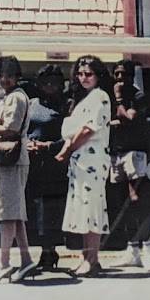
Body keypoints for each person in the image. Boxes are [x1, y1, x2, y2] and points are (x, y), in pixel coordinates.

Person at [0, 55, 35, 283]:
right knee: (15, 212)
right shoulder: (12, 96)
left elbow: (10, 129)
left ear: (17, 76)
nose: (4, 79)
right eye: (1, 75)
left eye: (9, 75)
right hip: (10, 160)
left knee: (7, 213)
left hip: (11, 159)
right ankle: (26, 258)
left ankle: (3, 263)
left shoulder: (15, 99)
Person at [56, 55, 113, 277]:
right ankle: (85, 257)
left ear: (98, 75)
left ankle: (93, 259)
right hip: (80, 162)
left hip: (92, 159)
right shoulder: (85, 98)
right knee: (82, 209)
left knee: (91, 209)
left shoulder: (100, 97)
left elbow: (88, 130)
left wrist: (68, 149)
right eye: (80, 74)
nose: (83, 78)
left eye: (88, 74)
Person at [109, 60, 150, 272]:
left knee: (136, 199)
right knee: (122, 204)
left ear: (131, 76)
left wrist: (120, 101)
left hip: (135, 152)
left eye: (124, 75)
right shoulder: (110, 98)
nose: (120, 79)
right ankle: (132, 250)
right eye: (117, 75)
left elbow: (129, 117)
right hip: (116, 153)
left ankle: (147, 248)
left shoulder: (137, 96)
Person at [25, 64, 69, 272]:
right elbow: (22, 129)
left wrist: (48, 146)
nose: (50, 86)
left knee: (50, 210)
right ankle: (42, 249)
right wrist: (26, 143)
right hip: (32, 163)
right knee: (34, 208)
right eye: (45, 82)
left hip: (55, 163)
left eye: (54, 82)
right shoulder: (31, 104)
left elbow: (71, 137)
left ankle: (50, 250)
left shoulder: (67, 106)